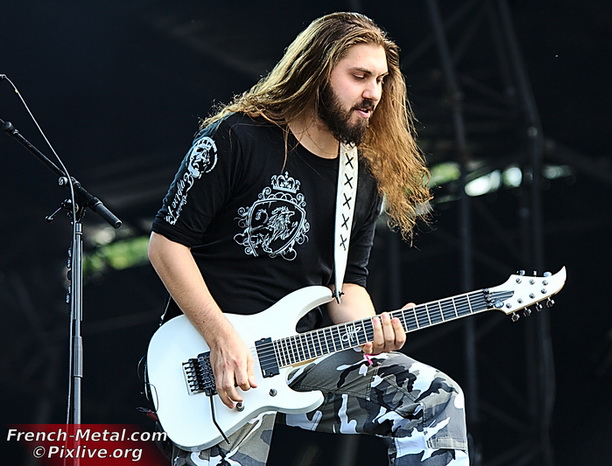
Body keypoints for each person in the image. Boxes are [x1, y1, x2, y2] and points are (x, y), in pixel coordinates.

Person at [148, 11, 469, 466]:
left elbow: (347, 284)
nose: (373, 93)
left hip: (305, 356)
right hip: (217, 356)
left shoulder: (362, 177)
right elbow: (166, 245)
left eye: (380, 80)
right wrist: (220, 338)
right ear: (317, 71)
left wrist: (372, 330)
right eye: (359, 76)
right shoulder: (237, 137)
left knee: (433, 397)